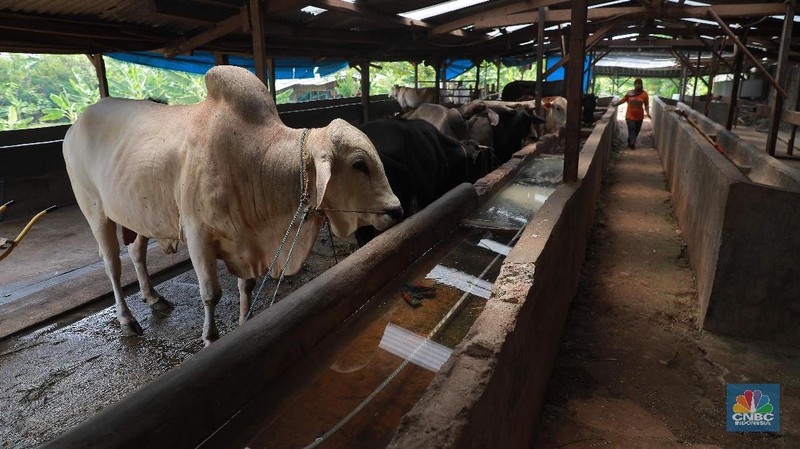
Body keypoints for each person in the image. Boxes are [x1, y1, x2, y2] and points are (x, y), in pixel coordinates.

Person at [616, 78, 650, 149]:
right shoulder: (629, 93)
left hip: (639, 116)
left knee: (637, 130)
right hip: (629, 115)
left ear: (641, 85)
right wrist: (615, 104)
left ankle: (630, 140)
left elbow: (646, 105)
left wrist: (648, 112)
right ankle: (632, 143)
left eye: (639, 84)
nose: (637, 85)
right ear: (634, 85)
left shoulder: (644, 94)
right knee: (632, 128)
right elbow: (623, 100)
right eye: (636, 84)